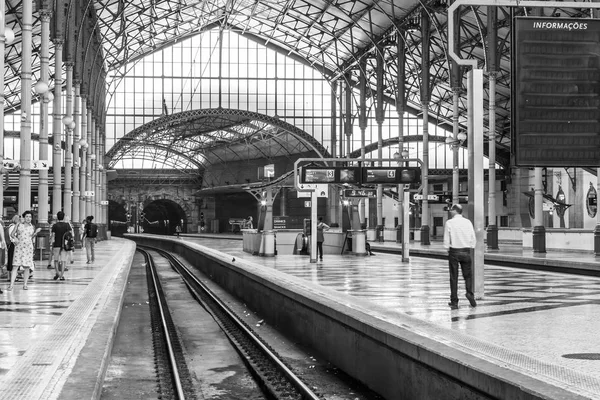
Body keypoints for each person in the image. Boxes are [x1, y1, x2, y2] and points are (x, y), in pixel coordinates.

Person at [443, 204, 477, 309]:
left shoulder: (449, 223)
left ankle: (454, 301)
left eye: (451, 210)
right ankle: (469, 293)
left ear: (454, 211)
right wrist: (470, 246)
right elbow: (473, 237)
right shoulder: (468, 222)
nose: (450, 212)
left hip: (454, 252)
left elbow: (446, 239)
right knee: (468, 275)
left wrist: (447, 248)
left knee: (454, 277)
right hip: (466, 251)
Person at [7, 211, 40, 291]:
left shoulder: (32, 227)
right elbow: (12, 234)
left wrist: (36, 233)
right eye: (27, 217)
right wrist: (15, 239)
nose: (28, 218)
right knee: (15, 266)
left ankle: (25, 284)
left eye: (30, 217)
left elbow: (31, 237)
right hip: (19, 247)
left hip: (28, 248)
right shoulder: (19, 225)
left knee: (27, 267)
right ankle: (11, 285)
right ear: (24, 217)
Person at [50, 211, 72, 281]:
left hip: (56, 244)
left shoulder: (55, 225)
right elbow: (70, 235)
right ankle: (62, 275)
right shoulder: (67, 225)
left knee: (56, 260)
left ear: (57, 217)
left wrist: (51, 244)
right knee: (63, 260)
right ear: (64, 217)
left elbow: (53, 235)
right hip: (64, 245)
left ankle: (57, 273)